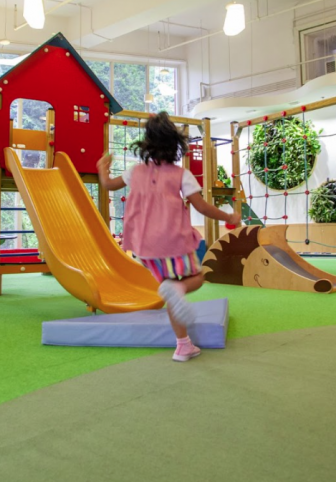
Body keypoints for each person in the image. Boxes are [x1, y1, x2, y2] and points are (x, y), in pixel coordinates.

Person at [98, 111, 241, 362]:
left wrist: (102, 169)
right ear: (175, 146)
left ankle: (183, 345)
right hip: (172, 242)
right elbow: (201, 206)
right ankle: (178, 289)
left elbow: (108, 185)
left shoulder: (134, 171)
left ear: (147, 144)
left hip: (143, 247)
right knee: (195, 278)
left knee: (173, 293)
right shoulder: (180, 174)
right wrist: (228, 217)